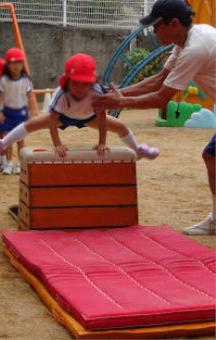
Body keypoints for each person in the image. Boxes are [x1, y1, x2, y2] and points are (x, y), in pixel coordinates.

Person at [92, 0, 216, 235]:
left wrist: (121, 102)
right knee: (212, 156)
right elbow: (159, 80)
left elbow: (161, 98)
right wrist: (116, 94)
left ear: (175, 24)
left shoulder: (195, 49)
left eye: (158, 26)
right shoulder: (184, 42)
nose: (154, 31)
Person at [0, 54, 159, 162]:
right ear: (67, 80)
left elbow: (103, 118)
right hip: (62, 117)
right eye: (76, 83)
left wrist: (101, 143)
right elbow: (53, 121)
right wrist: (57, 144)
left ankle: (138, 150)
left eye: (85, 84)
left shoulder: (97, 92)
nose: (81, 88)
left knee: (120, 127)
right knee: (32, 124)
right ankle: (0, 144)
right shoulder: (62, 94)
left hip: (89, 117)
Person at [0, 48, 36, 175]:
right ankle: (8, 164)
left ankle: (20, 163)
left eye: (19, 63)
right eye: (13, 63)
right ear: (7, 64)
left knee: (20, 139)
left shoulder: (26, 80)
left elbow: (30, 97)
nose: (16, 66)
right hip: (7, 112)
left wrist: (33, 112)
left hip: (21, 113)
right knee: (7, 138)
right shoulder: (3, 80)